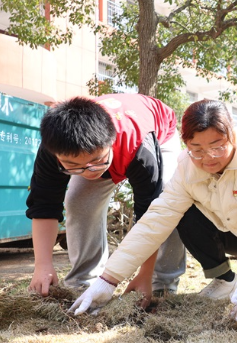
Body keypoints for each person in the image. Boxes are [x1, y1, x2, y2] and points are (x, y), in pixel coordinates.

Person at [69, 99, 237, 316]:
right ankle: (224, 280)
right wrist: (107, 280)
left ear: (232, 135)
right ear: (186, 144)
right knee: (181, 214)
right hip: (230, 235)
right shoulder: (186, 167)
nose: (208, 158)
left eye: (217, 147)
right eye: (197, 149)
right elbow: (155, 220)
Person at [26, 93, 187, 298]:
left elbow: (153, 214)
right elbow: (44, 204)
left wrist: (144, 273)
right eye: (74, 166)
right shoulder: (54, 147)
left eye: (96, 161)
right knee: (77, 201)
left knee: (167, 198)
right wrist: (43, 265)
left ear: (111, 142)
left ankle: (163, 283)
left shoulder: (139, 146)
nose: (89, 172)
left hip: (157, 132)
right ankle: (84, 282)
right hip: (100, 149)